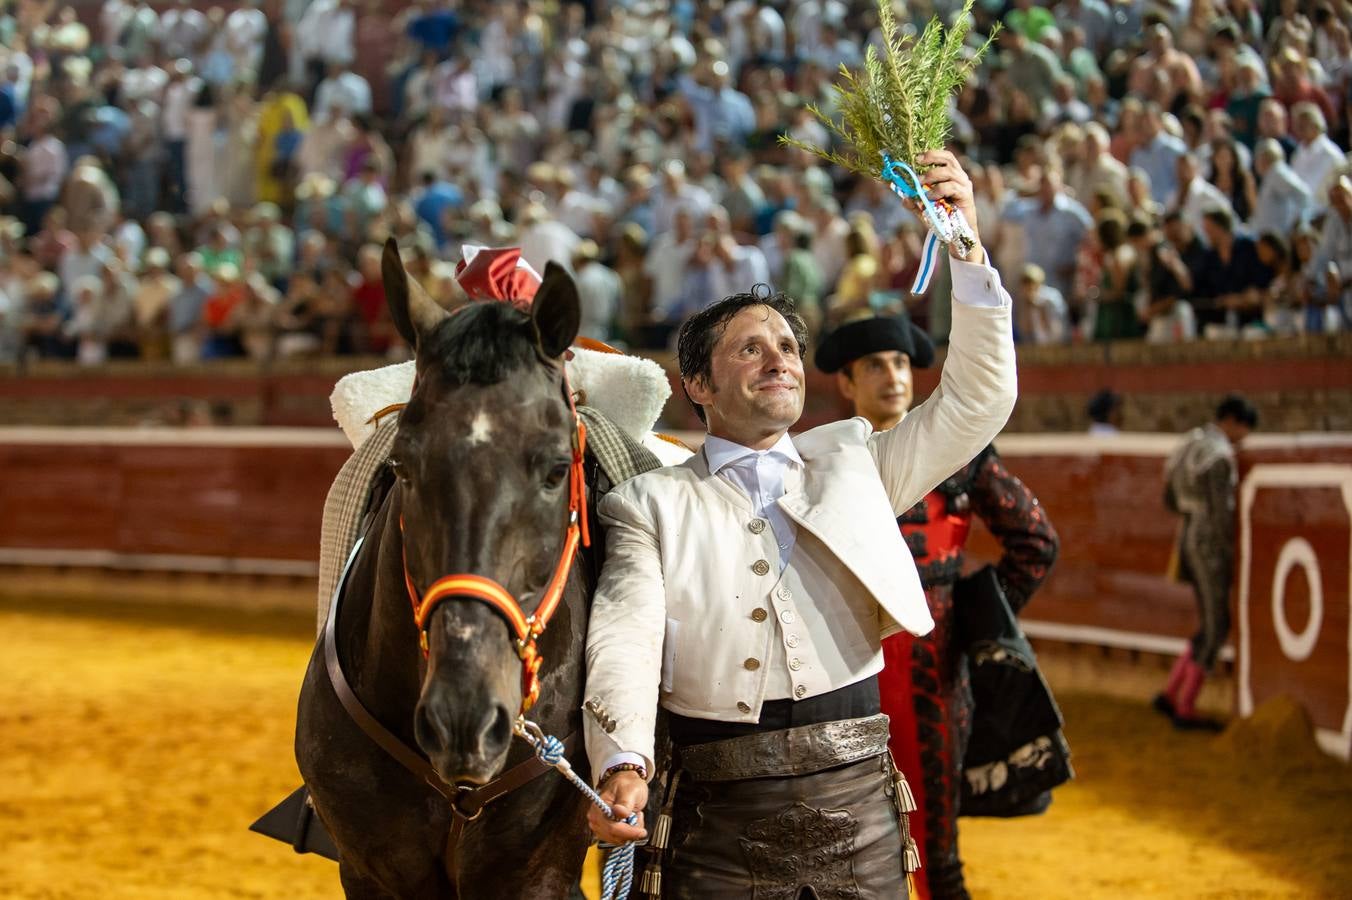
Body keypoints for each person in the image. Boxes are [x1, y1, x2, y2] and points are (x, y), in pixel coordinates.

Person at [583, 151, 1017, 897]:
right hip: (714, 812)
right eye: (749, 349)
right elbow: (624, 634)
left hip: (857, 799)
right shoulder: (649, 503)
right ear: (698, 384)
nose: (778, 361)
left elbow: (975, 403)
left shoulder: (856, 464)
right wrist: (623, 763)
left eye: (786, 346)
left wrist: (966, 249)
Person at [815, 313, 1059, 900]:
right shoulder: (822, 460)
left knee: (935, 838)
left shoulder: (960, 455)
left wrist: (978, 623)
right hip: (846, 660)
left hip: (930, 658)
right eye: (875, 365)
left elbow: (1036, 543)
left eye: (900, 363)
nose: (893, 376)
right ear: (847, 383)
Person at [1154, 395, 1258, 731]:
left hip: (1185, 533)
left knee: (1208, 621)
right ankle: (1185, 707)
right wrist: (1232, 553)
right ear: (1232, 421)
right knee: (1217, 624)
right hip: (1208, 542)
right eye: (1244, 429)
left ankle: (1170, 694)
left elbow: (1168, 497)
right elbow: (1220, 516)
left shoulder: (1190, 442)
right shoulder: (1219, 456)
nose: (1244, 437)